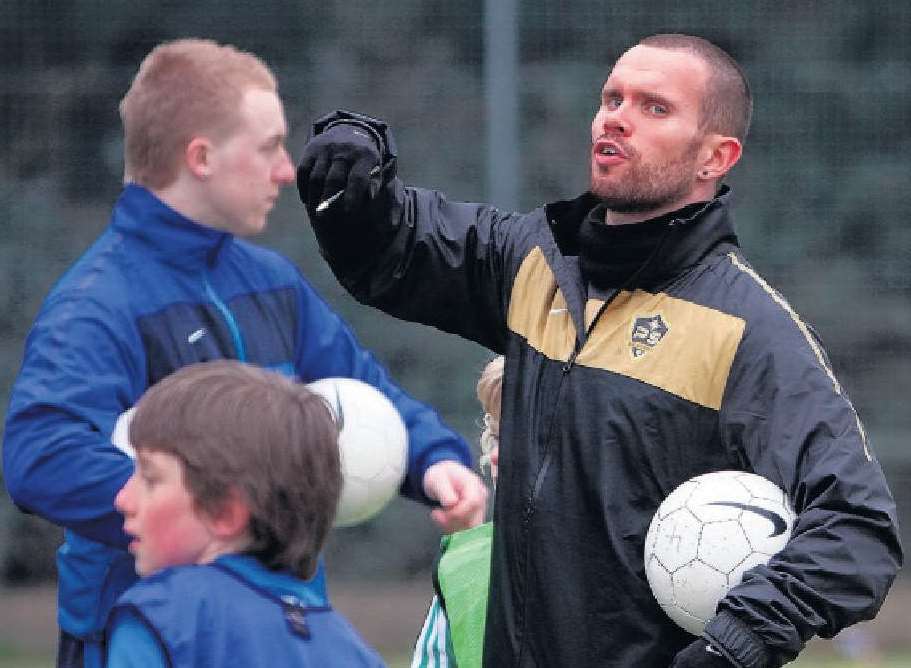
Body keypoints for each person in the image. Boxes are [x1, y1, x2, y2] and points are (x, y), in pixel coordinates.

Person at [296, 33, 903, 668]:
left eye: (654, 107)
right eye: (611, 97)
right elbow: (395, 246)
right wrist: (351, 155)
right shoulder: (534, 260)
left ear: (715, 157)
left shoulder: (747, 328)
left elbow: (856, 529)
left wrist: (739, 643)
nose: (616, 116)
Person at [2, 38, 486, 668]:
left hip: (275, 626)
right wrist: (196, 512)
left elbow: (359, 389)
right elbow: (42, 454)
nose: (286, 170)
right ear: (200, 157)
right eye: (267, 148)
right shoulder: (100, 304)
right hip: (143, 637)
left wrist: (432, 461)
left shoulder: (272, 282)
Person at [106, 360, 385, 666]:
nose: (123, 498)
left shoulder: (161, 615)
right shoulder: (356, 654)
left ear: (225, 513)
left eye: (150, 478)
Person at [411, 355, 503, 668]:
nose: (496, 456)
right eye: (497, 437)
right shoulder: (464, 569)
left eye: (522, 436)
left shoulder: (637, 558)